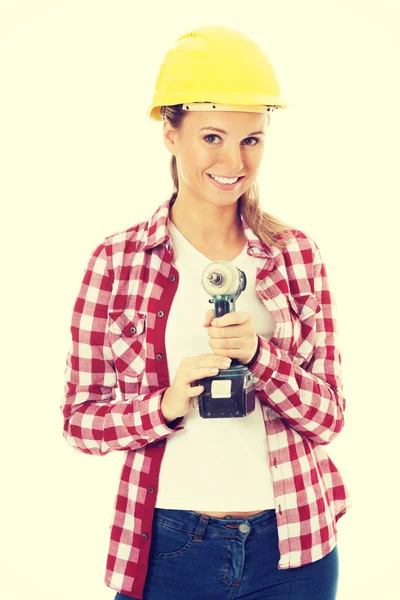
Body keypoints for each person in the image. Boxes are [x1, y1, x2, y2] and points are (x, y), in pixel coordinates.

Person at [61, 25, 351, 600]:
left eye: (252, 139)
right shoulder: (117, 262)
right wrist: (164, 404)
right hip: (169, 547)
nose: (232, 160)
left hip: (293, 544)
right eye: (212, 136)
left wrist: (260, 359)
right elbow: (79, 421)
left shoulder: (295, 254)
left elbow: (331, 417)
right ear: (170, 132)